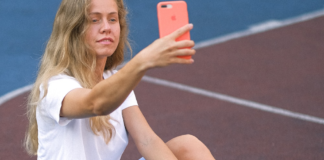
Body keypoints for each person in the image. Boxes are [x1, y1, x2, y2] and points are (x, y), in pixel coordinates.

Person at [24, 0, 216, 159]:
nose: (106, 28)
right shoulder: (54, 86)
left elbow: (147, 141)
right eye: (94, 20)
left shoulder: (113, 80)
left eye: (113, 19)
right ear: (73, 29)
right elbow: (96, 103)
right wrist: (143, 61)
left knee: (188, 147)